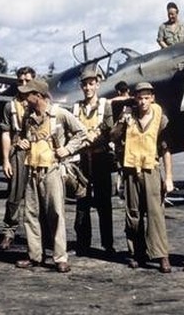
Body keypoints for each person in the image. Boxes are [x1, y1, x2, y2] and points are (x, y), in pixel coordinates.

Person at [14, 79, 86, 273]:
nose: (24, 97)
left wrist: (68, 149)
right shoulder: (27, 116)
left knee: (56, 214)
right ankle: (35, 256)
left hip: (52, 170)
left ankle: (60, 258)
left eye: (28, 94)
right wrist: (21, 142)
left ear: (38, 96)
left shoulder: (59, 114)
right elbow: (21, 136)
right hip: (32, 171)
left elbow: (81, 133)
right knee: (30, 215)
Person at [110, 82, 174, 273]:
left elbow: (165, 149)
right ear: (135, 98)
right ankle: (136, 253)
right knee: (133, 213)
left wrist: (169, 177)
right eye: (140, 97)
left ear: (152, 98)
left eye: (147, 97)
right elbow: (112, 136)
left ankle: (161, 255)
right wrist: (122, 121)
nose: (143, 101)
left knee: (155, 214)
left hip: (151, 169)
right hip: (131, 170)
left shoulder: (160, 119)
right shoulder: (128, 115)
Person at [73, 68, 115, 257]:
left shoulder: (105, 105)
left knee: (104, 203)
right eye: (85, 84)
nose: (88, 87)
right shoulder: (76, 108)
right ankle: (83, 244)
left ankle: (107, 245)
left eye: (91, 84)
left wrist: (95, 138)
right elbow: (70, 131)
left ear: (97, 84)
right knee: (82, 202)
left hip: (100, 159)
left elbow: (109, 131)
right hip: (83, 160)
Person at [0, 66, 36, 250]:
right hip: (18, 153)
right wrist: (6, 159)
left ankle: (38, 235)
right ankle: (9, 231)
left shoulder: (40, 103)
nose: (23, 84)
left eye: (27, 81)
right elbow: (5, 133)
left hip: (38, 152)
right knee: (14, 193)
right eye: (20, 81)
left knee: (38, 196)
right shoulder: (10, 106)